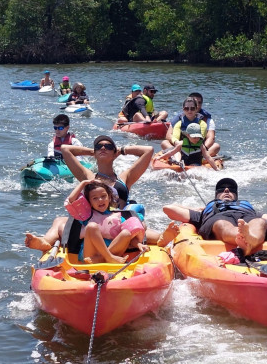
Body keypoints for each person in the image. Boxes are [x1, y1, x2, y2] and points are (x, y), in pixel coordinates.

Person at [26, 135, 165, 252]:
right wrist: (92, 152)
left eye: (108, 146)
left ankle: (167, 240)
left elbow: (149, 150)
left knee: (150, 231)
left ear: (114, 152)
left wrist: (121, 150)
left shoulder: (125, 178)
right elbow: (65, 149)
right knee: (59, 221)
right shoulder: (88, 177)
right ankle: (45, 242)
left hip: (118, 222)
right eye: (99, 146)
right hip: (93, 223)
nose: (103, 148)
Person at [161, 178, 267, 255]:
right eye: (222, 189)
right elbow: (169, 209)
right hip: (218, 218)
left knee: (260, 222)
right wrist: (195, 209)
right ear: (216, 195)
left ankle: (249, 240)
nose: (227, 190)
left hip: (246, 218)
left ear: (236, 196)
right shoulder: (205, 212)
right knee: (222, 224)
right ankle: (244, 237)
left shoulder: (250, 210)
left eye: (231, 189)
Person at [62, 179, 148, 263]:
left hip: (114, 251)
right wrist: (83, 183)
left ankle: (103, 258)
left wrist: (138, 244)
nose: (100, 200)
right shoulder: (86, 215)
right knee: (92, 226)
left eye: (103, 196)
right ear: (90, 202)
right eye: (95, 198)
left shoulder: (117, 215)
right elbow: (71, 200)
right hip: (91, 254)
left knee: (126, 233)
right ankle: (108, 257)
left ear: (109, 197)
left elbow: (130, 237)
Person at [159, 96, 220, 165]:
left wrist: (200, 148)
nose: (189, 111)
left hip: (197, 149)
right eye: (186, 108)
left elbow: (201, 137)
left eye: (192, 108)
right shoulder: (179, 123)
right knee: (164, 142)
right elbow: (174, 136)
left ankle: (203, 157)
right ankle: (177, 158)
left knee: (216, 146)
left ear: (196, 109)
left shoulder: (202, 123)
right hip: (181, 148)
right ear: (183, 110)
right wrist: (177, 142)